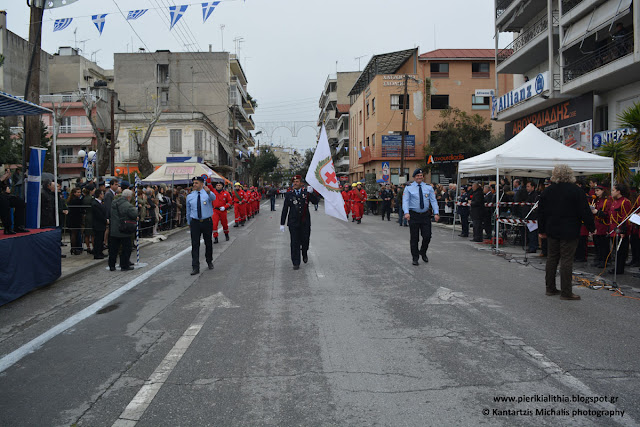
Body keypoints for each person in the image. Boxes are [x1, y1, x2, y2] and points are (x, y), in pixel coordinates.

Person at [538, 164, 595, 300]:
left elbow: (541, 212)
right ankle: (566, 292)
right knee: (566, 260)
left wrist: (541, 230)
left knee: (552, 259)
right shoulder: (576, 191)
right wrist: (591, 227)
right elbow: (584, 211)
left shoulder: (547, 191)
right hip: (570, 230)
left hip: (552, 229)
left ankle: (550, 288)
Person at [280, 175, 319, 270]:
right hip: (293, 223)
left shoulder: (306, 193)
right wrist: (282, 223)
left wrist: (312, 192)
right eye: (294, 182)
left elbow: (316, 202)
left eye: (297, 181)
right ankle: (296, 262)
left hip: (304, 222)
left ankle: (304, 252)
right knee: (294, 242)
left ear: (301, 183)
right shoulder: (289, 194)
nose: (295, 183)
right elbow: (285, 209)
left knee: (305, 240)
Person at [403, 168, 440, 266]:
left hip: (425, 215)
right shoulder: (408, 187)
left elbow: (433, 201)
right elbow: (405, 201)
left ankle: (423, 251)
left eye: (421, 176)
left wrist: (436, 213)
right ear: (414, 177)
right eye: (417, 176)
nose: (420, 177)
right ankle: (415, 257)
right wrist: (406, 212)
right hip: (414, 215)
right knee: (414, 238)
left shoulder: (428, 187)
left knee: (427, 236)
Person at [186, 176, 216, 275]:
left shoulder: (207, 194)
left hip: (207, 221)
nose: (194, 185)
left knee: (208, 242)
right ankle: (195, 267)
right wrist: (189, 222)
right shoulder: (190, 196)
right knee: (195, 244)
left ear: (202, 184)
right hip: (195, 222)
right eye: (193, 183)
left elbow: (213, 198)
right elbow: (188, 210)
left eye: (196, 183)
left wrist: (208, 192)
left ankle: (209, 261)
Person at [108, 188, 138, 271]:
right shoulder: (127, 205)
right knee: (126, 248)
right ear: (128, 197)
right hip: (124, 229)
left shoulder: (114, 202)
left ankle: (112, 265)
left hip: (114, 229)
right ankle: (124, 265)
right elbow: (134, 214)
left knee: (113, 249)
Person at [607, 183, 632, 275]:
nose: (612, 192)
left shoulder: (625, 202)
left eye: (613, 190)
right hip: (613, 230)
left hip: (620, 230)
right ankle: (616, 267)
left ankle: (619, 268)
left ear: (618, 191)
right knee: (615, 250)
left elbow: (626, 217)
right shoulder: (614, 201)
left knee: (621, 251)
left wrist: (623, 230)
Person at [590, 185, 610, 268]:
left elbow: (607, 214)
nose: (596, 192)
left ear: (602, 191)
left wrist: (597, 212)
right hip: (597, 225)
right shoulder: (596, 201)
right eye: (595, 191)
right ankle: (598, 259)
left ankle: (604, 260)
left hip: (603, 225)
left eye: (598, 190)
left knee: (603, 245)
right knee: (597, 244)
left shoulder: (607, 201)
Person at [523, 181, 539, 253]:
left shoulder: (535, 195)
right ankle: (531, 246)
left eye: (528, 186)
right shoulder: (528, 195)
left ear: (533, 187)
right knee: (530, 233)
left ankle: (533, 247)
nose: (527, 188)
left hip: (532, 216)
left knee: (533, 233)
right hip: (528, 216)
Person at [92, 189, 107, 259]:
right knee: (98, 239)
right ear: (99, 195)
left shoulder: (101, 203)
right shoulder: (95, 204)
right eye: (102, 194)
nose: (103, 195)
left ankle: (100, 252)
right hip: (98, 224)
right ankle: (97, 253)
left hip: (101, 224)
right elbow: (99, 215)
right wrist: (105, 220)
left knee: (101, 239)